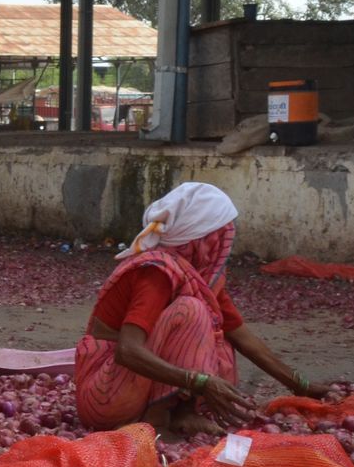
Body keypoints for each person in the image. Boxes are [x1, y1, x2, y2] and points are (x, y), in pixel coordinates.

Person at [77, 182, 340, 436]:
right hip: (104, 397)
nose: (224, 244)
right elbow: (127, 351)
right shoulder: (157, 272)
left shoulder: (200, 281)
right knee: (191, 310)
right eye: (220, 236)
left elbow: (242, 337)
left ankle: (181, 413)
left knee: (219, 336)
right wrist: (199, 382)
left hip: (127, 389)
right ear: (201, 239)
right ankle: (158, 420)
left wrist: (300, 385)